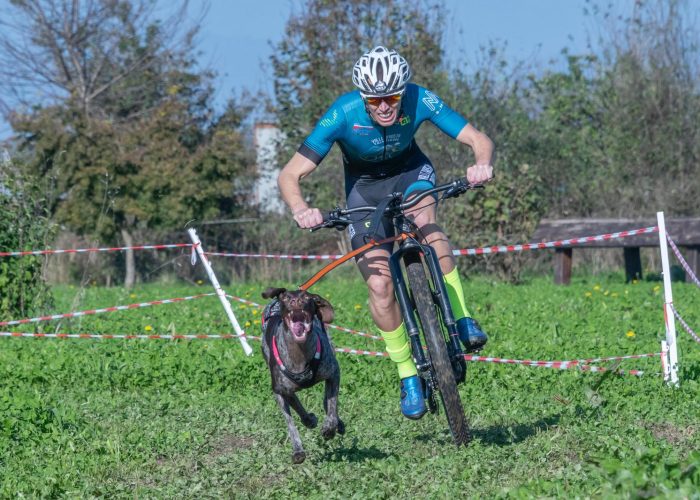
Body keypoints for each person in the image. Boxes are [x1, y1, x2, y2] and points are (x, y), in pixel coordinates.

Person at [277, 45, 494, 420]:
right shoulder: (342, 114)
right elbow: (289, 174)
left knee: (426, 224)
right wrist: (301, 210)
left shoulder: (419, 98)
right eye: (375, 100)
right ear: (363, 97)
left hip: (412, 174)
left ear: (402, 90)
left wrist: (481, 165)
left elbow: (478, 139)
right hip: (364, 190)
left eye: (392, 97)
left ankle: (461, 317)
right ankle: (407, 374)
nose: (384, 107)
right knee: (379, 285)